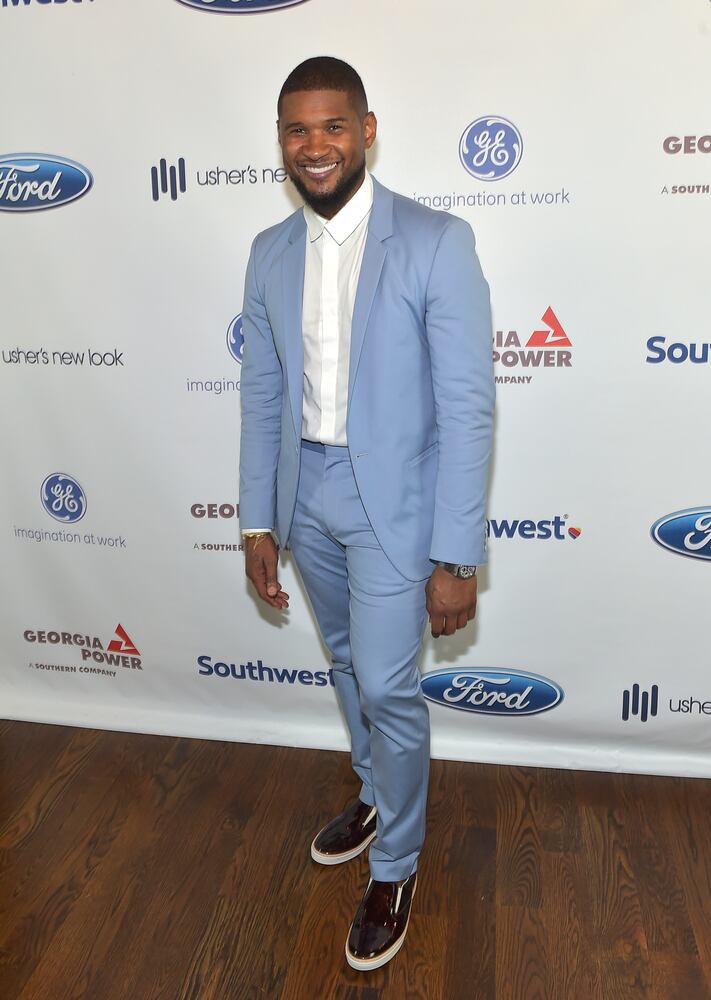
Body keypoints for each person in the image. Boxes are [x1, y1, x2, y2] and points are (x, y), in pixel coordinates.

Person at [239, 56, 494, 972]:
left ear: (367, 130)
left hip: (395, 505)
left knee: (388, 687)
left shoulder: (435, 241)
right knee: (346, 661)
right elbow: (262, 392)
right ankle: (376, 794)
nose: (315, 145)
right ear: (281, 141)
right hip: (302, 494)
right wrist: (256, 519)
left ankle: (396, 866)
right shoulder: (268, 251)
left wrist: (456, 556)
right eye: (297, 129)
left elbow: (467, 409)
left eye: (332, 126)